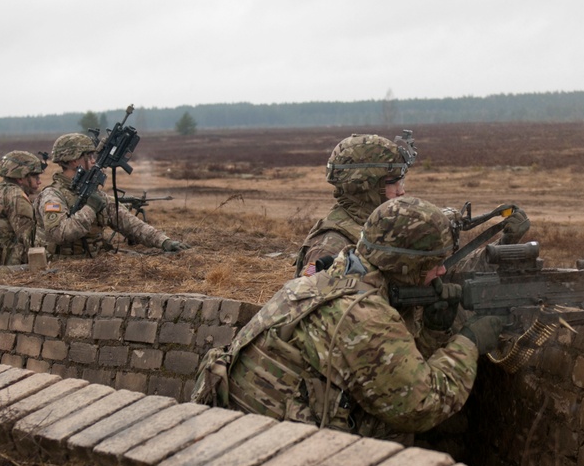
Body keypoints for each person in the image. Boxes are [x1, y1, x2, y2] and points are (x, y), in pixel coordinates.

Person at [192, 196, 506, 442]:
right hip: (272, 454)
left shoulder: (327, 276)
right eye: (436, 263)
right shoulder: (365, 317)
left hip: (239, 431)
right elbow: (420, 406)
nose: (442, 271)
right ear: (406, 265)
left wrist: (434, 330)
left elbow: (385, 366)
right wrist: (469, 341)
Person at [35, 132, 188, 257]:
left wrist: (164, 242)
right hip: (62, 266)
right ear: (75, 161)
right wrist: (90, 208)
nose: (94, 161)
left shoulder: (93, 193)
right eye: (89, 157)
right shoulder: (52, 196)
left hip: (95, 262)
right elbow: (59, 233)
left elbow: (129, 223)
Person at [294, 132, 416, 276]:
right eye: (393, 183)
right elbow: (307, 294)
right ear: (365, 186)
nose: (401, 191)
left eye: (401, 181)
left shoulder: (376, 225)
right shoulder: (331, 246)